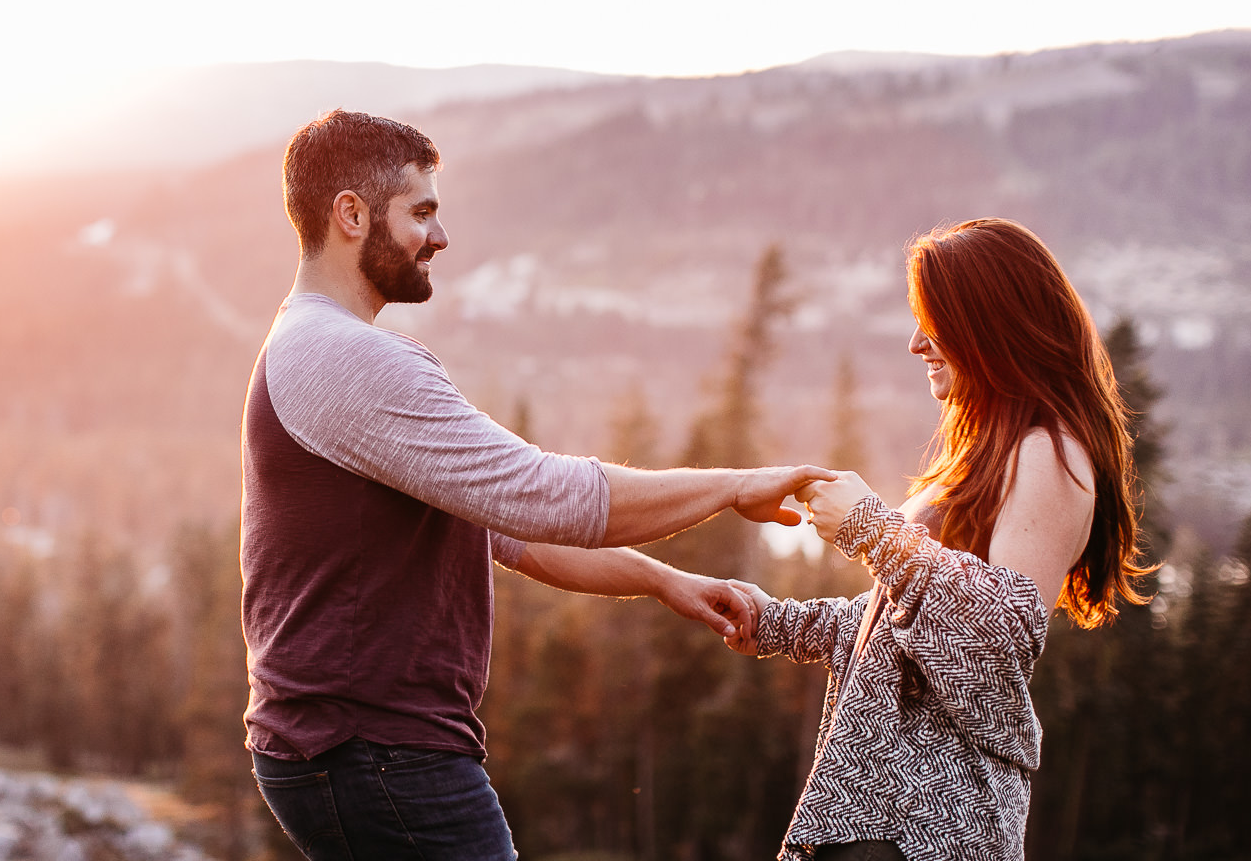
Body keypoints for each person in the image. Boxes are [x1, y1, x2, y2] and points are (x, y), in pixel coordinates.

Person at [242, 109, 831, 860]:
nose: (441, 236)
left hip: (342, 749)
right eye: (421, 212)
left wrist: (659, 580)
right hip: (377, 750)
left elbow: (505, 532)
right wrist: (737, 485)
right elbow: (545, 495)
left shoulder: (310, 346)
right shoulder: (349, 358)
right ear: (351, 215)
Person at [727, 219, 1151, 861]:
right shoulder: (988, 453)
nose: (916, 343)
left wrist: (871, 529)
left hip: (926, 830)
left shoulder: (1049, 452)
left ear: (991, 324)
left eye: (936, 321)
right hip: (873, 819)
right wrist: (774, 621)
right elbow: (907, 637)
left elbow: (999, 641)